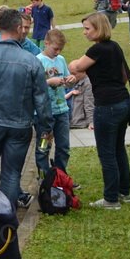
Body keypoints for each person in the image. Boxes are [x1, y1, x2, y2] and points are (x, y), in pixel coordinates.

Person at [0, 7, 53, 210]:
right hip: (20, 124)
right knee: (12, 173)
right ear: (18, 28)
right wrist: (46, 127)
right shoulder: (31, 61)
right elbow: (42, 100)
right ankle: (6, 216)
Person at [69, 12, 130, 209]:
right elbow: (122, 76)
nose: (84, 32)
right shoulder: (115, 47)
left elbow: (76, 67)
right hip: (123, 101)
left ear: (99, 28)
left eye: (87, 28)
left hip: (107, 106)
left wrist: (73, 65)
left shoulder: (97, 50)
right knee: (118, 148)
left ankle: (111, 199)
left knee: (107, 153)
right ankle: (124, 192)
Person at [35, 28, 73, 176]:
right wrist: (49, 81)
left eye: (60, 49)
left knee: (64, 146)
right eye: (55, 48)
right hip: (44, 113)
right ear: (46, 43)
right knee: (44, 145)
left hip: (62, 111)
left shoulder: (61, 60)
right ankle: (45, 176)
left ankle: (61, 176)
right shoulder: (38, 61)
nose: (57, 52)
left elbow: (67, 81)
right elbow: (34, 87)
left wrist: (70, 81)